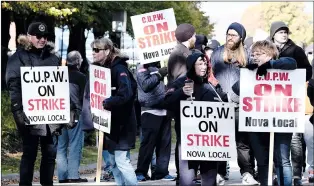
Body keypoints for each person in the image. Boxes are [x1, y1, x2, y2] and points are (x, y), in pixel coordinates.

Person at [232, 40, 298, 186]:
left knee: (282, 160)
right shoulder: (253, 70)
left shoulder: (281, 65)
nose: (254, 57)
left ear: (269, 55)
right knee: (262, 161)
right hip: (258, 123)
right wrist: (248, 75)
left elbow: (292, 62)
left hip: (281, 122)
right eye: (253, 54)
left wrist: (270, 66)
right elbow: (236, 89)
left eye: (258, 54)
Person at [6, 21, 63, 186]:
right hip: (29, 114)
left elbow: (60, 86)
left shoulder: (53, 58)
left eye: (45, 36)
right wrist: (17, 111)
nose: (42, 39)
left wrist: (68, 109)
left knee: (50, 153)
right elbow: (13, 85)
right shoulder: (18, 57)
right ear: (29, 36)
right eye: (38, 36)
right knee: (29, 153)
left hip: (51, 114)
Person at [81, 37, 138, 186]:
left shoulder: (119, 69)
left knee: (121, 160)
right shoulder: (99, 69)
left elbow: (126, 94)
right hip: (107, 124)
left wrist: (108, 102)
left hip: (122, 125)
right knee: (112, 162)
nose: (93, 53)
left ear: (106, 51)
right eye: (92, 50)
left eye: (96, 50)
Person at [165, 50, 224, 186]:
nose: (203, 67)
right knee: (187, 180)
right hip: (188, 140)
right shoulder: (180, 83)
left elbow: (224, 105)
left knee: (209, 179)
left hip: (209, 142)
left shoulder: (212, 85)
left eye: (205, 64)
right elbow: (166, 101)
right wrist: (181, 93)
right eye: (200, 64)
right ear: (192, 65)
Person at [211, 22, 258, 185]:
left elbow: (253, 77)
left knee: (243, 143)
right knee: (221, 140)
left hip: (241, 105)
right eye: (228, 34)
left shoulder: (248, 54)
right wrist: (220, 92)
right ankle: (220, 173)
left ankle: (247, 172)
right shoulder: (217, 53)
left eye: (234, 35)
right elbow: (213, 75)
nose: (230, 37)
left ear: (241, 38)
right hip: (221, 104)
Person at [269, 21, 313, 185]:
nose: (284, 34)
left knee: (294, 139)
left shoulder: (296, 50)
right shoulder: (267, 49)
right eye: (280, 32)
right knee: (274, 141)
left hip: (291, 100)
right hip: (270, 102)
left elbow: (308, 71)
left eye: (286, 32)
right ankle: (274, 173)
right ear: (273, 34)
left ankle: (296, 175)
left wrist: (294, 75)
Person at [135, 61, 174, 181]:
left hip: (165, 110)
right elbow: (145, 85)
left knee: (164, 145)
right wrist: (159, 75)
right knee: (147, 145)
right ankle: (141, 172)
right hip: (150, 111)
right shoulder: (142, 67)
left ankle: (161, 172)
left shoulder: (161, 64)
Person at [167, 23, 196, 183]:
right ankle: (183, 178)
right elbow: (180, 81)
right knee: (184, 142)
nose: (195, 37)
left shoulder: (184, 52)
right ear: (188, 36)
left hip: (187, 104)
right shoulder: (179, 55)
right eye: (193, 35)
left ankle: (186, 176)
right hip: (183, 105)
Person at [56, 51, 87, 183]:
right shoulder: (81, 77)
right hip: (75, 114)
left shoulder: (58, 75)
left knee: (61, 146)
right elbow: (84, 98)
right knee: (75, 145)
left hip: (58, 114)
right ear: (78, 62)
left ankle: (62, 177)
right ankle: (73, 175)